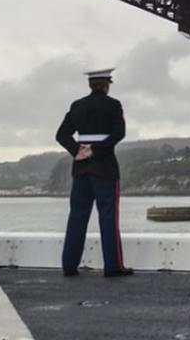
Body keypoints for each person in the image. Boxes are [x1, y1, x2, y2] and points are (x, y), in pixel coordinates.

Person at [55, 68, 132, 278]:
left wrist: (77, 150)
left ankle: (69, 265)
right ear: (106, 85)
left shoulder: (77, 106)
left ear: (90, 85)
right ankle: (113, 266)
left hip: (81, 168)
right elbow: (119, 132)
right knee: (108, 217)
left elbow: (61, 134)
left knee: (77, 217)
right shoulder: (113, 105)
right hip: (105, 167)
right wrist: (96, 150)